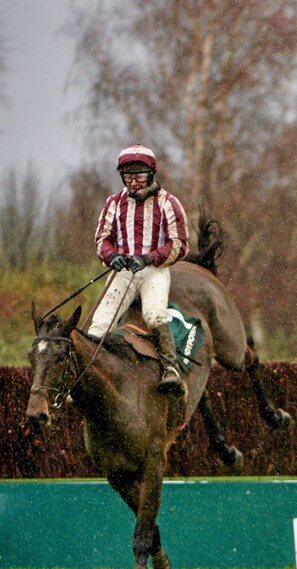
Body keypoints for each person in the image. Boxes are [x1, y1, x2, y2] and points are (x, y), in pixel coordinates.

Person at [89, 145, 189, 396]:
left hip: (154, 270)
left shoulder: (168, 203)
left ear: (151, 173)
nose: (133, 182)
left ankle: (171, 368)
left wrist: (148, 258)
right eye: (128, 176)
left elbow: (179, 243)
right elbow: (102, 239)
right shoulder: (114, 202)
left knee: (154, 315)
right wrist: (113, 257)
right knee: (99, 324)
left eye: (139, 175)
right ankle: (85, 378)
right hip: (124, 272)